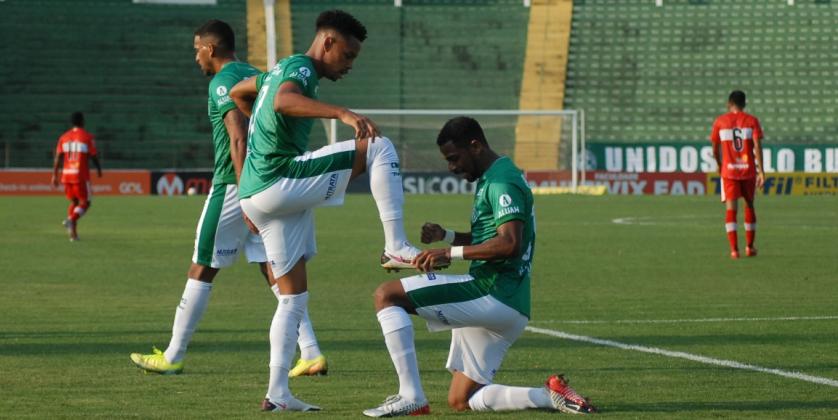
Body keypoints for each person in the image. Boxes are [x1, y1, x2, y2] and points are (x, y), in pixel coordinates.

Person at [230, 9, 442, 412]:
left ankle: (277, 393)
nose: (349, 65)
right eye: (347, 55)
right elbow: (285, 99)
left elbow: (241, 94)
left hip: (256, 195)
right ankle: (395, 244)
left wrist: (259, 132)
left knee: (292, 300)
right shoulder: (302, 69)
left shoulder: (276, 70)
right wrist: (342, 113)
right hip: (279, 180)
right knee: (377, 145)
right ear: (327, 42)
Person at [129, 19, 326, 377]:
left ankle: (173, 354)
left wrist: (246, 191)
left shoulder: (223, 82)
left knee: (202, 265)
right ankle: (311, 352)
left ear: (210, 48)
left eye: (196, 50)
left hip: (235, 185)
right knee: (274, 270)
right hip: (268, 177)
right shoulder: (255, 73)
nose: (195, 57)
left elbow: (238, 137)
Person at [363, 117, 597, 417]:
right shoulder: (495, 175)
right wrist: (446, 236)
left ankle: (411, 396)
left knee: (386, 295)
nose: (452, 167)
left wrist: (450, 252)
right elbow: (492, 238)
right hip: (510, 304)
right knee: (461, 399)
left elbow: (509, 243)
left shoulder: (502, 181)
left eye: (454, 158)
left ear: (475, 146)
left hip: (492, 292)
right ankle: (550, 396)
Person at [710, 90, 764, 259]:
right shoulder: (751, 120)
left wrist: (719, 164)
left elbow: (714, 148)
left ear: (729, 103)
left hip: (729, 172)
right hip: (748, 170)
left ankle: (734, 250)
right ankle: (749, 247)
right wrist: (761, 170)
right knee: (749, 205)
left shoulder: (720, 121)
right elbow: (757, 146)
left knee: (731, 210)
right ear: (744, 104)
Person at [52, 111, 102, 242]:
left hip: (66, 175)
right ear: (82, 122)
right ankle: (70, 220)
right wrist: (99, 169)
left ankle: (73, 235)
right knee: (86, 203)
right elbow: (94, 156)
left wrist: (54, 175)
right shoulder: (87, 137)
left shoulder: (63, 137)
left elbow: (58, 158)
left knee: (74, 202)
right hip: (80, 175)